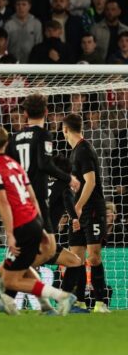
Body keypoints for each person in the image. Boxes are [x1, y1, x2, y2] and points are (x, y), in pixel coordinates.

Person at [0, 126, 76, 316]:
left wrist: (10, 234)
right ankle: (43, 305)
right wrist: (42, 227)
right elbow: (33, 197)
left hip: (20, 226)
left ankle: (61, 297)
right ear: (7, 144)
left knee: (8, 276)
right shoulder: (14, 164)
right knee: (15, 269)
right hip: (34, 222)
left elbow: (3, 204)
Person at [62, 113, 111, 313]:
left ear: (65, 130)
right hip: (79, 211)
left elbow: (90, 182)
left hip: (91, 210)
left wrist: (79, 206)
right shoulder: (74, 152)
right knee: (76, 256)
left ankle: (101, 302)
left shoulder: (84, 150)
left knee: (94, 256)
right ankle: (80, 301)